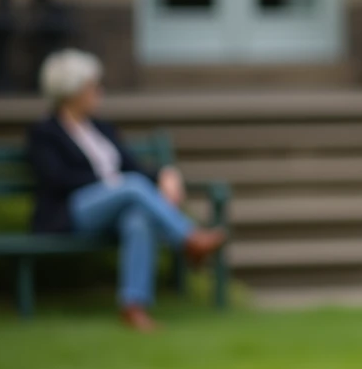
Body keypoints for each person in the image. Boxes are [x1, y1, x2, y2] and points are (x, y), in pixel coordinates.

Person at [26, 49, 226, 330]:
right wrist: (109, 184)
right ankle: (188, 238)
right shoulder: (45, 133)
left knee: (138, 219)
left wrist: (165, 173)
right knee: (130, 187)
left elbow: (133, 166)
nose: (99, 92)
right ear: (71, 91)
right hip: (69, 212)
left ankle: (133, 307)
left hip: (113, 209)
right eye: (93, 86)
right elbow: (55, 179)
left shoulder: (101, 129)